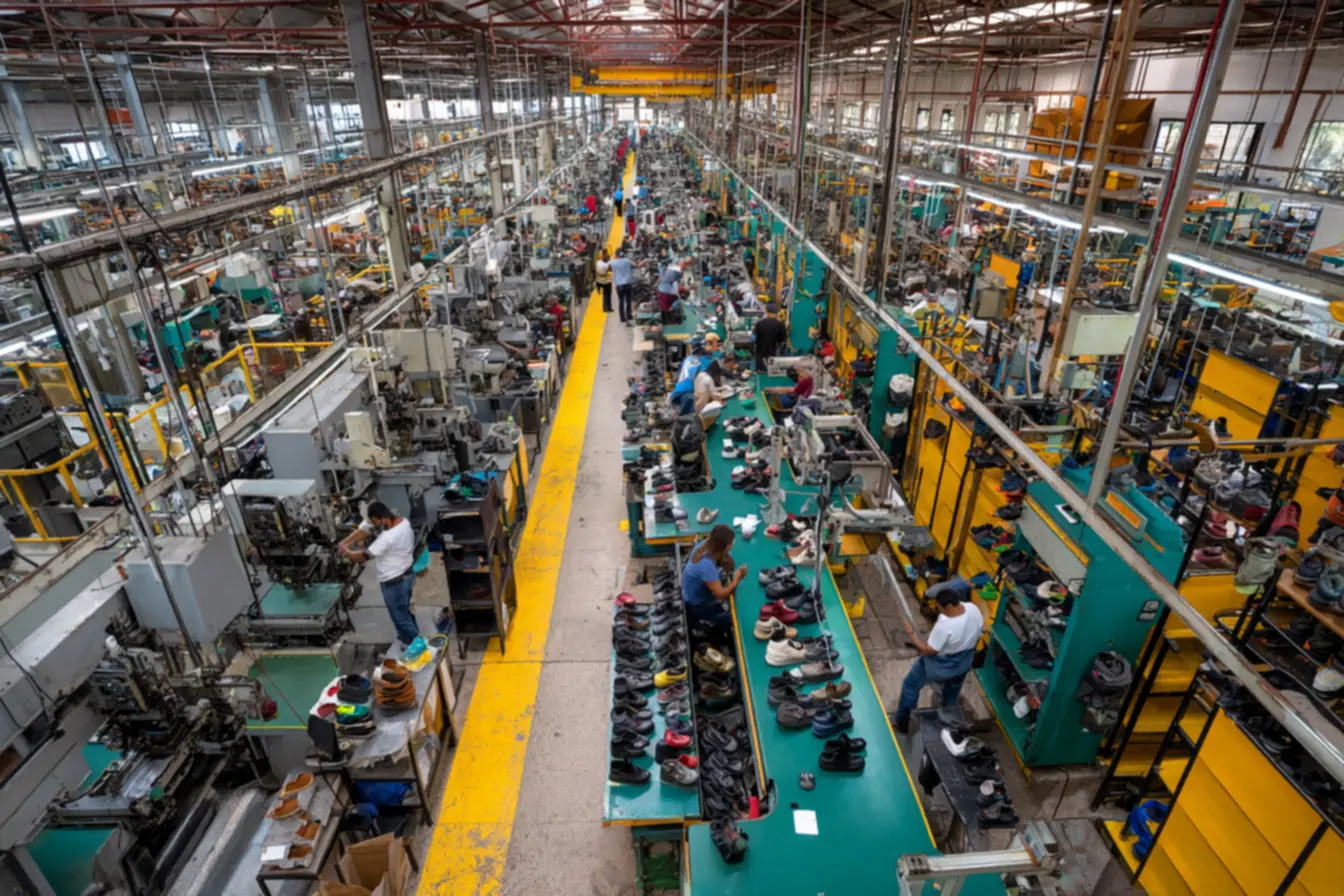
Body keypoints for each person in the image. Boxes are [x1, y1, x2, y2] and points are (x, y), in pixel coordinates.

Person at [893, 578, 984, 734]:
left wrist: (912, 637)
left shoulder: (945, 624)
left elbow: (929, 650)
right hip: (963, 661)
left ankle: (902, 722)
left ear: (947, 606)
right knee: (951, 693)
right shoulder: (973, 609)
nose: (937, 608)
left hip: (941, 665)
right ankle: (949, 724)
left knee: (910, 685)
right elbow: (979, 630)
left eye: (939, 606)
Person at [339, 502, 420, 651]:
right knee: (405, 612)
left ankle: (417, 647)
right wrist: (345, 542)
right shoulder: (402, 521)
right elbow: (366, 530)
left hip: (394, 582)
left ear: (381, 518)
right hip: (406, 575)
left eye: (375, 522)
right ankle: (406, 639)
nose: (374, 526)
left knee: (400, 617)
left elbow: (362, 557)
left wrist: (346, 551)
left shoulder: (387, 538)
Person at [682, 524, 746, 632]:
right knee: (729, 620)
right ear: (727, 546)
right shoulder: (707, 566)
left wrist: (726, 560)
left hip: (689, 594)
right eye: (731, 543)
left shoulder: (704, 545)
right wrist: (736, 580)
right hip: (696, 605)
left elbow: (724, 560)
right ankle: (715, 635)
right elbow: (721, 595)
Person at [753, 304, 788, 372]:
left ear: (767, 312)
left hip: (760, 353)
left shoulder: (759, 323)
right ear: (777, 312)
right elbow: (782, 339)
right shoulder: (780, 324)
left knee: (761, 372)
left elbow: (755, 339)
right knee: (772, 371)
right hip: (773, 354)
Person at [610, 248, 635, 324]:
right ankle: (629, 315)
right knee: (628, 300)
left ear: (616, 255)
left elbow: (607, 268)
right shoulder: (627, 260)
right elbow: (634, 265)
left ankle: (622, 318)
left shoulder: (612, 262)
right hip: (627, 283)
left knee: (621, 301)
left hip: (619, 285)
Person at [655, 258, 683, 324]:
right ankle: (669, 324)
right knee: (667, 311)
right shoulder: (672, 272)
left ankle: (667, 323)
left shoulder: (665, 269)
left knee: (666, 311)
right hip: (666, 293)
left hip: (663, 292)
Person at [595, 248, 613, 312]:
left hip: (600, 281)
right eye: (606, 254)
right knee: (607, 295)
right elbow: (610, 269)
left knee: (606, 295)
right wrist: (609, 260)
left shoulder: (598, 263)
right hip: (606, 282)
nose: (607, 255)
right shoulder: (605, 264)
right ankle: (607, 308)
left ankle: (607, 307)